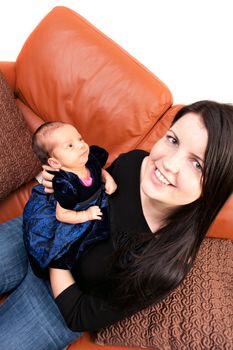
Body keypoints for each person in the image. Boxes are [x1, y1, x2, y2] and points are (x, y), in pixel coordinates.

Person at [0, 100, 233, 350]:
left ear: (216, 186)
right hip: (37, 233)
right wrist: (59, 180)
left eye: (197, 164)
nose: (169, 164)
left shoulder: (165, 265)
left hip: (58, 300)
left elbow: (79, 315)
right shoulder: (135, 162)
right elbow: (88, 183)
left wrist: (55, 254)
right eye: (173, 140)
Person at [23, 121, 117, 271]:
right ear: (55, 163)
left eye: (80, 139)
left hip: (92, 200)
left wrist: (108, 179)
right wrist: (86, 214)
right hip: (72, 210)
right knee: (67, 248)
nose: (81, 145)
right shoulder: (66, 185)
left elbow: (98, 171)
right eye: (70, 146)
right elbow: (62, 215)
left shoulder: (89, 160)